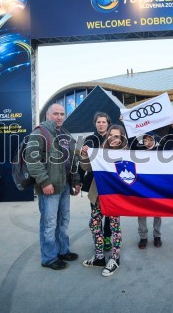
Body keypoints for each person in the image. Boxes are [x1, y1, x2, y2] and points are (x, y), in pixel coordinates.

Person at [25, 104, 81, 270]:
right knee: (49, 224)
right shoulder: (39, 133)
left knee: (63, 220)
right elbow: (32, 160)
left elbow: (73, 160)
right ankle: (49, 258)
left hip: (65, 186)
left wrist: (76, 181)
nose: (59, 117)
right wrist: (44, 182)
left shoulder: (65, 134)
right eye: (55, 114)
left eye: (62, 114)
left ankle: (63, 251)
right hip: (49, 187)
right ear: (48, 115)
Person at [80, 124, 126, 277]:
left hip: (115, 197)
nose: (113, 139)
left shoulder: (128, 154)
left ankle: (115, 258)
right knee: (94, 224)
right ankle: (99, 256)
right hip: (98, 195)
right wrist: (85, 154)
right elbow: (86, 167)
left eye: (117, 136)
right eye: (111, 135)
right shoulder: (100, 152)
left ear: (122, 138)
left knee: (114, 227)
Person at [136, 118, 173, 249]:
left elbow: (171, 143)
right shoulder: (137, 152)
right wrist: (124, 124)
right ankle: (143, 237)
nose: (147, 142)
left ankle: (157, 236)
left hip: (157, 186)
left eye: (150, 139)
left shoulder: (161, 150)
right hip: (142, 187)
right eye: (145, 140)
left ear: (155, 140)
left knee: (157, 212)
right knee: (141, 212)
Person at [80, 112, 113, 251]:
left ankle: (107, 237)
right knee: (96, 212)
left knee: (110, 213)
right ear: (95, 123)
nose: (101, 124)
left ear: (108, 123)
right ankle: (98, 237)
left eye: (103, 122)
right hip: (94, 182)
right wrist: (78, 180)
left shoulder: (114, 138)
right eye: (98, 122)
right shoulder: (89, 139)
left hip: (111, 182)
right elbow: (83, 163)